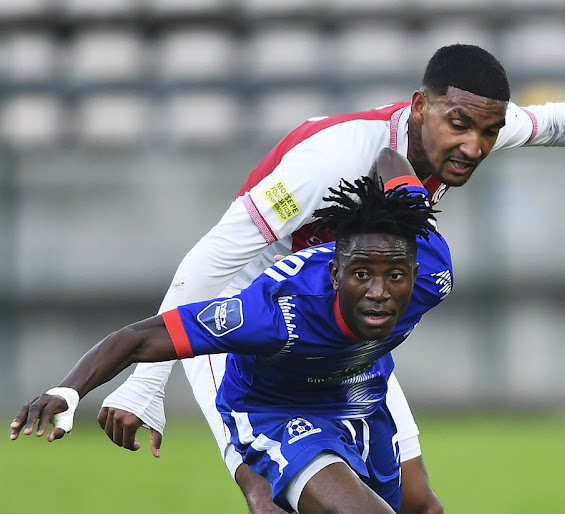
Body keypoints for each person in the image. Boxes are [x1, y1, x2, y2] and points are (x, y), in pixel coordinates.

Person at [96, 44, 565, 513]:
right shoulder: (331, 161)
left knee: (421, 505)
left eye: (488, 131)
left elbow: (554, 123)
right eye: (461, 125)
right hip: (257, 321)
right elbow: (212, 263)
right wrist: (146, 386)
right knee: (270, 500)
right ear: (421, 107)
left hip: (342, 332)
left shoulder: (465, 131)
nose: (476, 147)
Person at [11, 148, 452, 513]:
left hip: (360, 393)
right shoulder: (272, 314)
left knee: (423, 508)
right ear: (336, 274)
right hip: (276, 410)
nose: (379, 292)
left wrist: (382, 191)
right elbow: (138, 338)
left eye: (395, 277)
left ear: (415, 272)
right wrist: (69, 391)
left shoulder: (431, 266)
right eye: (361, 276)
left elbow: (391, 159)